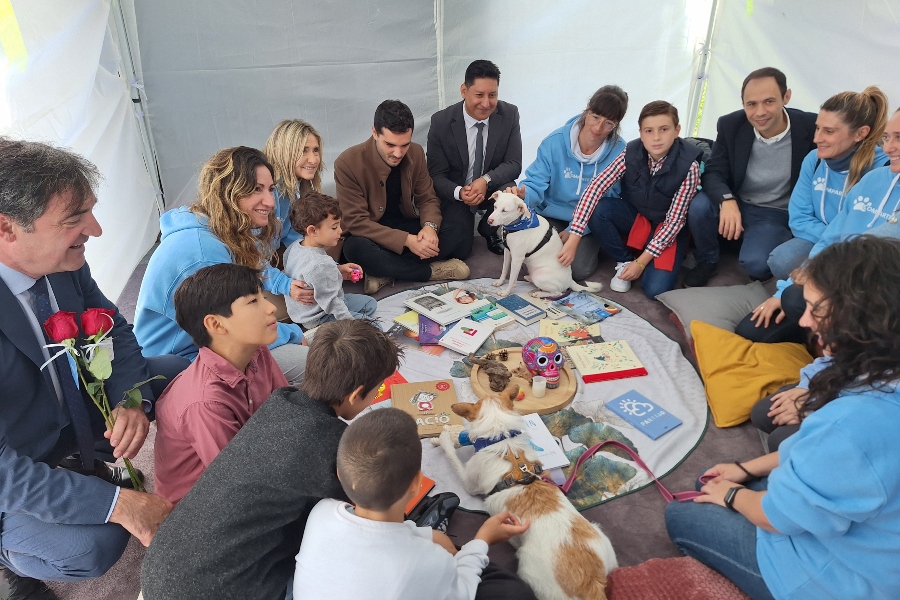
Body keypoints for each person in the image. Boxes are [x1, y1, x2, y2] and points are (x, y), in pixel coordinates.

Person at [665, 235, 900, 600]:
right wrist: (747, 470)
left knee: (682, 512)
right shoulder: (878, 370)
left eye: (815, 309)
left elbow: (780, 516)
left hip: (842, 579)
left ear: (860, 317)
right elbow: (832, 461)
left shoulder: (851, 423)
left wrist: (732, 497)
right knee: (714, 482)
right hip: (869, 534)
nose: (804, 320)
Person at [0, 139, 184, 596]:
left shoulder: (62, 264)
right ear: (6, 229)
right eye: (74, 218)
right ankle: (8, 555)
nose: (96, 230)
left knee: (178, 371)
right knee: (92, 547)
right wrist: (119, 504)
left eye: (90, 211)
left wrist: (129, 399)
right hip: (18, 462)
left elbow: (114, 330)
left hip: (73, 419)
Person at [141, 319, 399, 600]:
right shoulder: (332, 446)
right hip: (214, 590)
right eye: (377, 390)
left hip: (161, 566)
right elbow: (370, 518)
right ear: (355, 395)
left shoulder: (279, 402)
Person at [293, 408, 534, 599]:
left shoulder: (321, 512)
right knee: (513, 591)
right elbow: (462, 592)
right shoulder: (424, 563)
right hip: (424, 573)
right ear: (418, 483)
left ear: (338, 473)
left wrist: (424, 536)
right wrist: (482, 540)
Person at [134, 146, 313, 384]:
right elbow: (235, 326)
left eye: (270, 189)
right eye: (255, 190)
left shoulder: (221, 232)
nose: (270, 202)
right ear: (228, 192)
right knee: (319, 367)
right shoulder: (202, 253)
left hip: (207, 344)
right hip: (182, 362)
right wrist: (292, 333)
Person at [735, 107, 900, 344]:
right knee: (752, 329)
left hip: (876, 299)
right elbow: (831, 237)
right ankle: (814, 329)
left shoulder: (873, 165)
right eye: (887, 137)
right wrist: (783, 290)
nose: (889, 147)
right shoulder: (874, 180)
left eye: (899, 137)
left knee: (799, 299)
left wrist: (825, 279)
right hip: (836, 278)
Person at [153, 264, 288, 504]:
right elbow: (239, 482)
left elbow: (285, 409)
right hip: (204, 507)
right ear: (216, 325)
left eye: (262, 296)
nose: (270, 307)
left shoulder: (256, 350)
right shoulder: (205, 402)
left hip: (252, 462)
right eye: (253, 302)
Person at [686, 67, 817, 286]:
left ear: (787, 97)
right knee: (699, 207)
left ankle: (750, 243)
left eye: (769, 101)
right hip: (738, 200)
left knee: (757, 264)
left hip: (775, 211)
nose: (760, 112)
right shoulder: (730, 125)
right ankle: (707, 261)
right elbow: (715, 172)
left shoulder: (811, 127)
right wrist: (727, 200)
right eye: (751, 104)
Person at [565, 101, 703, 298]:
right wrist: (574, 236)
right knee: (599, 209)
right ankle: (624, 260)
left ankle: (662, 255)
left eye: (664, 129)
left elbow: (675, 221)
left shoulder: (690, 166)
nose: (656, 137)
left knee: (655, 290)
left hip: (667, 227)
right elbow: (595, 188)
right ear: (640, 132)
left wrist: (642, 262)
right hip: (638, 218)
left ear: (677, 130)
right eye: (648, 131)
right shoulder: (630, 151)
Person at [336, 100, 472, 294]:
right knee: (355, 249)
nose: (398, 153)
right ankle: (430, 272)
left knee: (461, 227)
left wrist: (429, 228)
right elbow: (355, 222)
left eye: (404, 145)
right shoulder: (347, 163)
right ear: (375, 132)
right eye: (390, 145)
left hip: (406, 224)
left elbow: (428, 199)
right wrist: (407, 241)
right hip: (371, 234)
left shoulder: (416, 152)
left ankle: (386, 272)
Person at [508, 85, 629, 280]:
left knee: (577, 270)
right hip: (550, 213)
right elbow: (535, 182)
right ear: (587, 108)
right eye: (595, 117)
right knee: (517, 245)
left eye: (609, 124)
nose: (598, 128)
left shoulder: (620, 151)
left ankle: (592, 246)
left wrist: (575, 229)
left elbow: (609, 199)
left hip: (588, 222)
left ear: (617, 124)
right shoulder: (554, 142)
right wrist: (524, 194)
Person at [767, 86, 889, 280]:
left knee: (833, 278)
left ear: (860, 133)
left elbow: (875, 233)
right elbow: (799, 219)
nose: (817, 139)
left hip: (858, 250)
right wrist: (828, 241)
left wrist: (837, 244)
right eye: (817, 128)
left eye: (829, 131)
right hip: (821, 240)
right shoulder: (813, 160)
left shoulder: (883, 169)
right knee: (780, 260)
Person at [427, 59, 522, 255]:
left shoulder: (510, 114)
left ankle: (490, 229)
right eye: (479, 95)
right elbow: (435, 174)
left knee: (511, 192)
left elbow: (514, 163)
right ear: (464, 91)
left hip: (491, 188)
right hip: (458, 191)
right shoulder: (441, 122)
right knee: (459, 247)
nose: (486, 103)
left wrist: (485, 180)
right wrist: (460, 192)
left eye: (492, 95)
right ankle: (465, 226)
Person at [283, 192, 377, 328]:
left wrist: (337, 270)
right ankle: (319, 333)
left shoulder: (295, 246)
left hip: (308, 310)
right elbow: (332, 303)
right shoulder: (320, 265)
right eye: (334, 227)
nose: (340, 230)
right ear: (312, 231)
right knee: (375, 329)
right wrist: (353, 325)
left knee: (370, 304)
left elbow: (309, 276)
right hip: (320, 317)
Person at [750, 353, 831, 452]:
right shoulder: (839, 347)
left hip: (845, 410)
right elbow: (826, 362)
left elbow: (852, 405)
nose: (820, 340)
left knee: (780, 441)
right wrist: (806, 387)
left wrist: (813, 407)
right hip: (830, 386)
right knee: (761, 412)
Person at [263, 119, 325, 249]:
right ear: (278, 152)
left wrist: (332, 266)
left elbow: (296, 241)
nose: (313, 160)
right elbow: (254, 255)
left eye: (315, 150)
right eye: (303, 151)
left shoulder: (298, 188)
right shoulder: (268, 191)